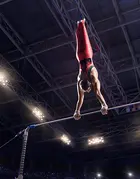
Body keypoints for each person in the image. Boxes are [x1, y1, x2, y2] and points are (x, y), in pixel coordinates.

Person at [73, 19, 108, 120]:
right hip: (79, 57)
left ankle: (82, 23)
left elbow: (97, 93)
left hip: (88, 54)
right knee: (79, 39)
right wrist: (76, 111)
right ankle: (80, 25)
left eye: (88, 90)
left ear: (90, 85)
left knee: (85, 38)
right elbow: (80, 98)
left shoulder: (93, 77)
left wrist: (104, 105)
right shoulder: (79, 80)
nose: (88, 91)